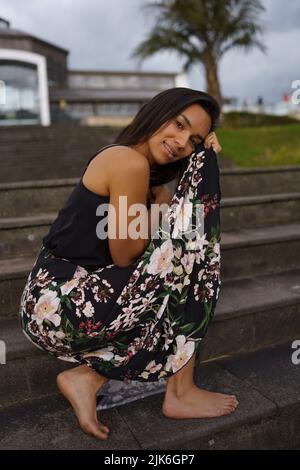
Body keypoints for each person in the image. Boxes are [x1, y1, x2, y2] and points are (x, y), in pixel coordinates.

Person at [19, 87, 239, 441]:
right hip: (59, 302)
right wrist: (195, 178)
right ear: (155, 113)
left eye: (194, 141)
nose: (181, 142)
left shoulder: (147, 180)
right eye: (178, 124)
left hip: (70, 296)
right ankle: (179, 392)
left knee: (185, 249)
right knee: (186, 255)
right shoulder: (127, 162)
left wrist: (188, 180)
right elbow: (126, 254)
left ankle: (89, 377)